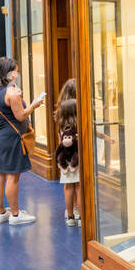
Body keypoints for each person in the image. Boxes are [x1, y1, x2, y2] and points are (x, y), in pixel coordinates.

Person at [0, 57, 46, 226]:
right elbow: (21, 115)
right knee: (13, 177)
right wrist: (34, 105)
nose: (15, 75)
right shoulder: (11, 93)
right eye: (14, 72)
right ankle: (16, 215)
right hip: (12, 138)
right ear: (8, 73)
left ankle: (1, 212)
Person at [54, 96, 81, 227]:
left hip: (65, 161)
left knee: (68, 187)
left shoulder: (62, 127)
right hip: (77, 161)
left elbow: (60, 145)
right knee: (79, 187)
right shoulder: (78, 126)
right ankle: (81, 217)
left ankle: (70, 217)